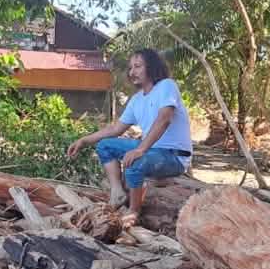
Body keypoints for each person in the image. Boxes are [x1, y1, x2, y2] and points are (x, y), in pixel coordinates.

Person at [67, 48, 192, 227]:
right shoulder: (136, 100)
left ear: (151, 67)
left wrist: (140, 149)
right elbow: (116, 129)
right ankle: (117, 191)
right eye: (131, 68)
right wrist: (84, 140)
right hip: (151, 149)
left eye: (138, 66)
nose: (132, 72)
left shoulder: (166, 86)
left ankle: (134, 212)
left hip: (174, 156)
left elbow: (164, 119)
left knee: (134, 162)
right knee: (105, 146)